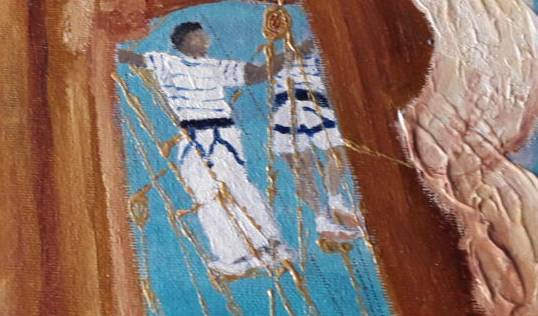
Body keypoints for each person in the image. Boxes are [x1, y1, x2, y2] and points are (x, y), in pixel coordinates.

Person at [118, 22, 304, 277]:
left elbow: (259, 73)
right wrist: (111, 50)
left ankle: (266, 247)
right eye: (198, 37)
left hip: (219, 134)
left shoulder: (217, 67)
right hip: (198, 134)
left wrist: (295, 51)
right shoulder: (168, 63)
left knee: (233, 188)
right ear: (182, 42)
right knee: (210, 194)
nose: (205, 40)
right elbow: (133, 58)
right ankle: (240, 254)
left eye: (204, 36)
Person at [271, 40, 360, 240]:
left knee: (335, 153)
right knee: (301, 166)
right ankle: (322, 217)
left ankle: (334, 203)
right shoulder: (278, 42)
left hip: (312, 95)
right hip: (289, 98)